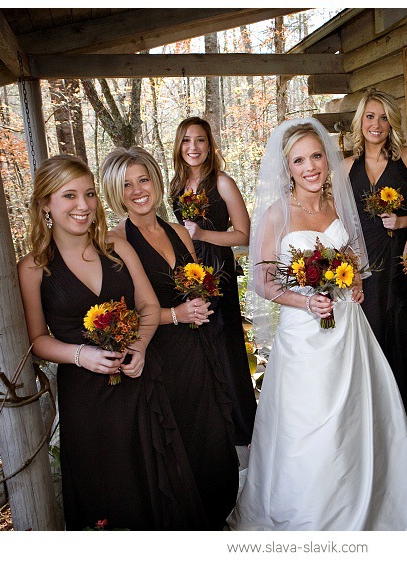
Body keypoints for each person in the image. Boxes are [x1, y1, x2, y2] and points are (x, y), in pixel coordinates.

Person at [226, 117, 407, 531]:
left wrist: (354, 285)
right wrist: (304, 300)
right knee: (307, 427)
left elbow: (351, 258)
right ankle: (312, 515)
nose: (311, 166)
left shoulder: (337, 203)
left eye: (317, 156)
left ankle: (363, 499)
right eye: (300, 161)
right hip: (303, 339)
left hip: (349, 331)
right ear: (288, 169)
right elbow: (262, 283)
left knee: (355, 419)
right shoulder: (278, 215)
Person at [17, 154, 206, 530]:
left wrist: (138, 347)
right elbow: (36, 340)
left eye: (88, 194)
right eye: (69, 196)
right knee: (111, 493)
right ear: (45, 204)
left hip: (139, 385)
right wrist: (80, 354)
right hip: (87, 401)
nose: (83, 205)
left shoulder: (116, 247)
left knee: (159, 484)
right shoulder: (33, 267)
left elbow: (149, 305)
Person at [100, 146, 239, 530]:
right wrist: (175, 315)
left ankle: (217, 517)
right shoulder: (113, 242)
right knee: (177, 444)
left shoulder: (180, 232)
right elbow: (125, 313)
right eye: (125, 185)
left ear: (157, 182)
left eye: (143, 179)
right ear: (114, 192)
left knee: (211, 436)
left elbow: (193, 288)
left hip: (198, 349)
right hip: (157, 357)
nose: (137, 190)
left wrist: (198, 302)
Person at [169, 117, 258, 451]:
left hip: (218, 273)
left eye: (201, 140)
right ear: (179, 146)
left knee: (223, 344)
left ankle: (242, 431)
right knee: (197, 349)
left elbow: (245, 234)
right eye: (187, 141)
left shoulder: (222, 182)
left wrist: (203, 233)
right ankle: (211, 425)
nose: (193, 147)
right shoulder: (175, 185)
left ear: (210, 145)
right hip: (188, 274)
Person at [342, 90, 407, 445]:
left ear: (393, 121)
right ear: (360, 121)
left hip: (401, 263)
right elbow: (339, 221)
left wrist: (404, 220)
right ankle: (376, 430)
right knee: (370, 342)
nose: (376, 125)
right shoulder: (346, 166)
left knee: (404, 340)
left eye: (383, 117)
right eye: (370, 117)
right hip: (363, 269)